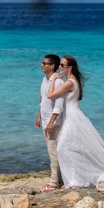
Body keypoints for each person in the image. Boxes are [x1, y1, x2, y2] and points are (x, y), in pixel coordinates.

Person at [46, 55, 104, 193]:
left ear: (70, 67)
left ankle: (75, 180)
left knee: (63, 148)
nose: (59, 67)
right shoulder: (72, 81)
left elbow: (51, 95)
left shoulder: (69, 82)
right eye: (59, 65)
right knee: (73, 147)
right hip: (72, 116)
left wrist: (53, 78)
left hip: (73, 117)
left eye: (62, 65)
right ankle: (73, 179)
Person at [36, 54, 65, 194]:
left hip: (53, 123)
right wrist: (39, 116)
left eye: (44, 63)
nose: (41, 65)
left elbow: (58, 105)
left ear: (51, 66)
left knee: (53, 151)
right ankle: (58, 179)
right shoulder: (45, 79)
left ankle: (55, 182)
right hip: (45, 120)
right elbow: (44, 102)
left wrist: (51, 122)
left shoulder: (58, 81)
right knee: (52, 151)